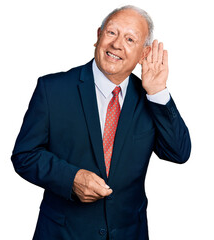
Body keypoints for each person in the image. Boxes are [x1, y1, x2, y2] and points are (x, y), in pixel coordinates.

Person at [11, 5, 191, 240]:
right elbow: (25, 155)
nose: (117, 44)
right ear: (98, 36)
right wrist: (71, 178)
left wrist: (157, 92)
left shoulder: (150, 99)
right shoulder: (52, 89)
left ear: (143, 54)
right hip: (63, 233)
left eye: (130, 39)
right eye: (111, 33)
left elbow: (178, 153)